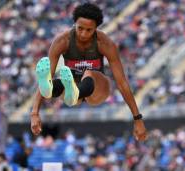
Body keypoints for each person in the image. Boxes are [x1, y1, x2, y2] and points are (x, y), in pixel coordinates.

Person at [30, 3, 147, 141]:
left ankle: (73, 92)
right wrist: (35, 113)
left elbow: (122, 83)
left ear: (96, 29)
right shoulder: (62, 41)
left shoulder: (105, 43)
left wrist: (137, 118)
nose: (83, 34)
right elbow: (47, 75)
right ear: (74, 24)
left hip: (96, 91)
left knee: (89, 73)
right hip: (70, 91)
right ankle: (56, 90)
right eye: (80, 28)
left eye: (89, 30)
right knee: (57, 80)